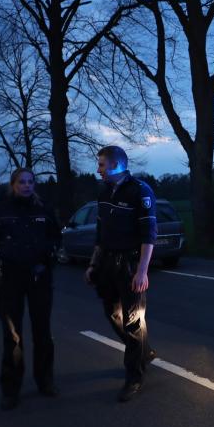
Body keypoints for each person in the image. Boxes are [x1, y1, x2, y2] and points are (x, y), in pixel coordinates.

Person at [0, 168, 62, 410]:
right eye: (22, 182)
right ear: (13, 184)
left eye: (30, 182)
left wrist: (51, 252)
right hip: (10, 280)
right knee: (12, 337)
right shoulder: (0, 211)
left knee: (43, 333)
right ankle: (10, 390)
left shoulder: (44, 210)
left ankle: (45, 382)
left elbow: (56, 236)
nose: (27, 186)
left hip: (40, 278)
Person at [85, 146, 157, 402]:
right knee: (111, 313)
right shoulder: (103, 192)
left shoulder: (140, 191)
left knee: (133, 321)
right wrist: (93, 264)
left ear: (116, 165)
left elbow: (149, 235)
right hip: (106, 262)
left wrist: (142, 271)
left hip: (130, 264)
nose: (98, 170)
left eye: (102, 165)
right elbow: (100, 232)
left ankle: (134, 377)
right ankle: (144, 351)